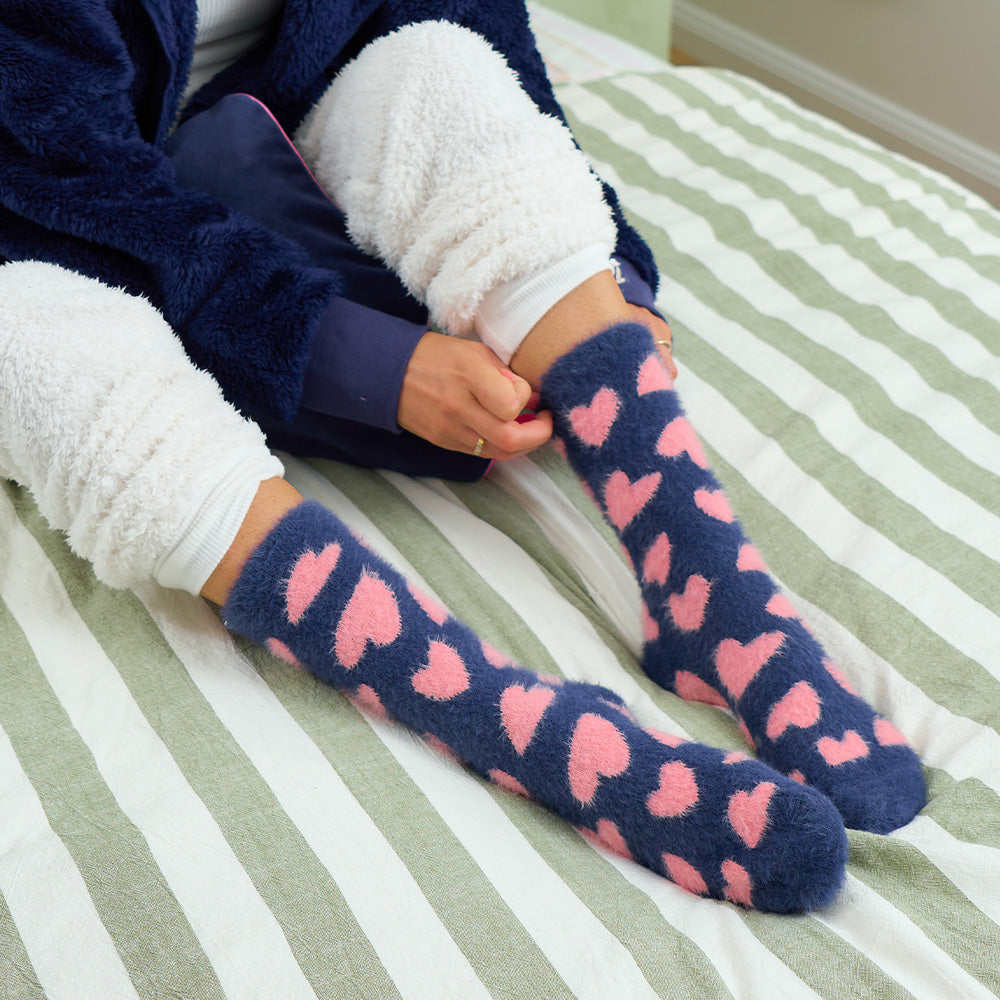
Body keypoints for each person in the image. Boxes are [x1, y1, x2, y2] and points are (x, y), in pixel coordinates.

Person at [0, 5, 925, 913]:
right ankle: (514, 723)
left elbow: (493, 46)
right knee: (26, 329)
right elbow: (64, 179)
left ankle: (714, 598)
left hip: (262, 168)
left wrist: (610, 283)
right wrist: (360, 359)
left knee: (439, 62)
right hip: (55, 213)